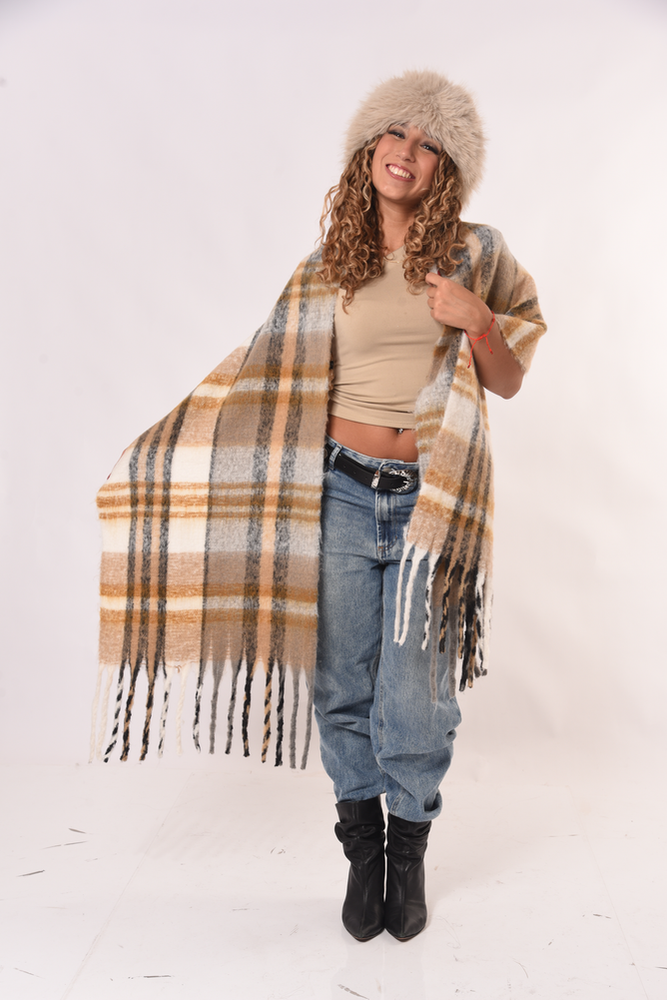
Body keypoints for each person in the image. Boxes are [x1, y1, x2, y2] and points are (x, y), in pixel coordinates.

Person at [94, 70, 545, 946]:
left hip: (430, 502)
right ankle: (363, 852)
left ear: (446, 166)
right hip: (336, 492)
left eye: (427, 143)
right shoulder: (326, 267)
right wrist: (159, 460)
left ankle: (409, 852)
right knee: (341, 684)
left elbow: (508, 380)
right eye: (394, 134)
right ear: (367, 148)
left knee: (416, 692)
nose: (406, 152)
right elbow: (262, 383)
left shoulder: (475, 254)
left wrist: (476, 319)